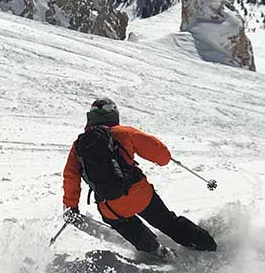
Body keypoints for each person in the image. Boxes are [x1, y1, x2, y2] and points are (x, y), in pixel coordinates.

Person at [62, 97, 217, 256]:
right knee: (167, 222)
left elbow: (70, 177)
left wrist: (71, 206)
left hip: (109, 205)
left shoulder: (79, 145)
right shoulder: (124, 132)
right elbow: (161, 155)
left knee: (125, 224)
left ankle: (155, 250)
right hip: (140, 195)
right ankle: (208, 245)